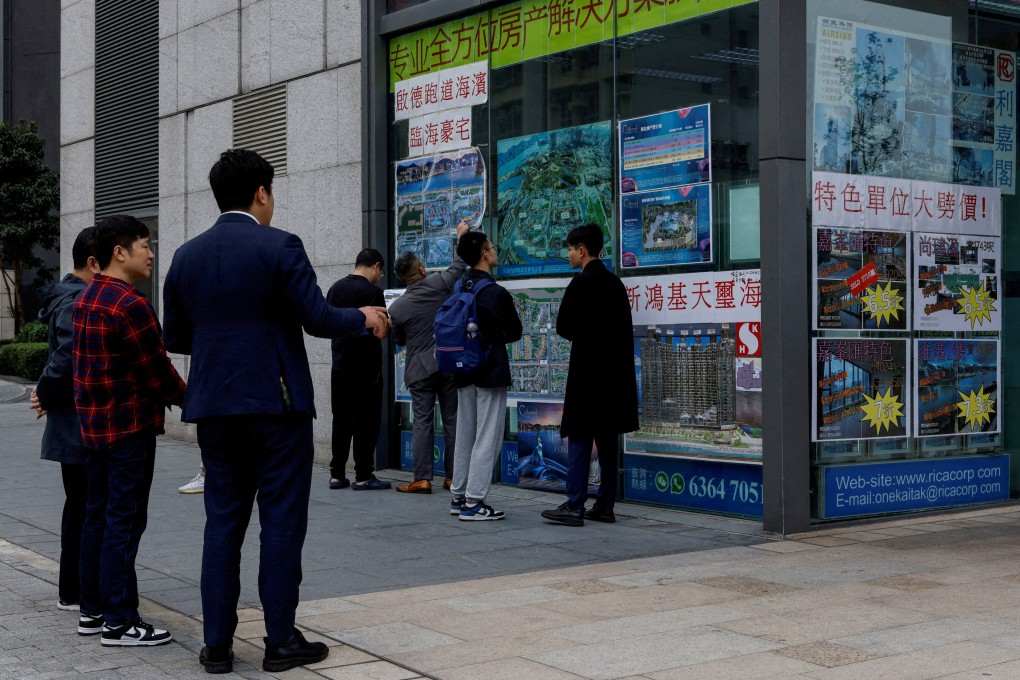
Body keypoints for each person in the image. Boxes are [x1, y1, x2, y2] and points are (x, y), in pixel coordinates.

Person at [162, 149, 389, 674]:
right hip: (277, 406)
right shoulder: (280, 244)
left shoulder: (186, 255)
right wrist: (363, 316)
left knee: (222, 524)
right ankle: (280, 640)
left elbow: (175, 336)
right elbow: (317, 318)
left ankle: (217, 645)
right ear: (261, 192)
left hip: (215, 408)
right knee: (281, 523)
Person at [72, 215, 187, 645]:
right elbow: (157, 372)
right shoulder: (130, 304)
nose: (151, 254)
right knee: (123, 523)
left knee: (97, 519)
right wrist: (195, 401)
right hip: (129, 430)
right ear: (119, 253)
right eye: (145, 245)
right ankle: (121, 622)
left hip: (94, 430)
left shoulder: (87, 298)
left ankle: (92, 611)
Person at [541, 224, 638, 527]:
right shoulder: (615, 284)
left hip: (587, 374)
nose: (569, 254)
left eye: (570, 249)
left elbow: (564, 327)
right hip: (614, 376)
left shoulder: (580, 284)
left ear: (581, 251)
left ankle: (574, 505)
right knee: (607, 440)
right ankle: (605, 505)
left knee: (580, 438)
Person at [30, 226, 99, 611]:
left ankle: (73, 590)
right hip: (78, 425)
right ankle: (76, 591)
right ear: (93, 262)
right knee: (85, 508)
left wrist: (45, 393)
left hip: (72, 424)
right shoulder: (76, 301)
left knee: (79, 507)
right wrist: (45, 392)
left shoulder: (68, 296)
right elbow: (66, 357)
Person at [389, 220, 470, 494]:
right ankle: (453, 477)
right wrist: (462, 236)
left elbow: (399, 340)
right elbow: (458, 266)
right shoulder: (438, 283)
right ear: (422, 270)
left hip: (419, 369)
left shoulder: (398, 308)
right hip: (446, 363)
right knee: (452, 420)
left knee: (422, 423)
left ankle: (422, 479)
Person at [448, 232, 522, 520]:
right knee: (488, 436)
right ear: (484, 254)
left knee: (465, 434)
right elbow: (515, 331)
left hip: (462, 369)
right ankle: (474, 503)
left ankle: (458, 495)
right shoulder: (495, 293)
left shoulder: (458, 286)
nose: (495, 250)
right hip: (489, 369)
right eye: (491, 247)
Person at [325, 248, 391, 491]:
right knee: (366, 421)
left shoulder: (335, 288)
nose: (379, 277)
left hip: (340, 365)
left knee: (341, 421)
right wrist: (390, 324)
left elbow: (327, 323)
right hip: (366, 369)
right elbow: (380, 332)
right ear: (376, 266)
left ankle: (337, 475)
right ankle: (363, 475)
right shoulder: (373, 293)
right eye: (380, 273)